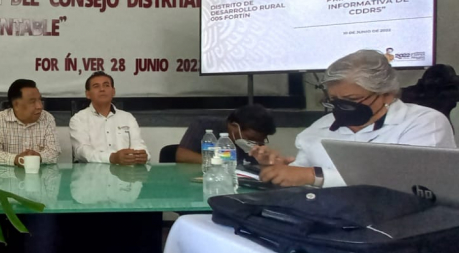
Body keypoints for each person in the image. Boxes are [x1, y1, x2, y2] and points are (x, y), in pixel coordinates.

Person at [250, 50, 456, 187]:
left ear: (387, 94)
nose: (341, 107)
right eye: (334, 100)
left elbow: (410, 183)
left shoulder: (425, 123)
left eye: (352, 99)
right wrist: (278, 170)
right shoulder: (319, 128)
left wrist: (316, 176)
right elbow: (300, 176)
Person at [70, 71, 149, 164]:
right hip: (91, 172)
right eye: (96, 86)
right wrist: (111, 158)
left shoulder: (127, 117)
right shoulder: (78, 119)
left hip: (125, 171)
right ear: (88, 94)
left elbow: (139, 145)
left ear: (113, 91)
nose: (102, 89)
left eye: (106, 85)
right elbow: (82, 151)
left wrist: (142, 155)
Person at [175, 104, 277, 164]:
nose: (256, 144)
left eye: (260, 141)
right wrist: (220, 162)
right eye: (251, 138)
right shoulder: (204, 125)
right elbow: (182, 155)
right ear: (234, 126)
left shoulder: (257, 142)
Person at [0, 79, 59, 165]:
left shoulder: (47, 118)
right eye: (32, 102)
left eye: (40, 100)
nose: (40, 106)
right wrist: (17, 159)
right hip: (7, 173)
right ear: (16, 105)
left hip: (39, 172)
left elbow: (54, 152)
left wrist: (38, 157)